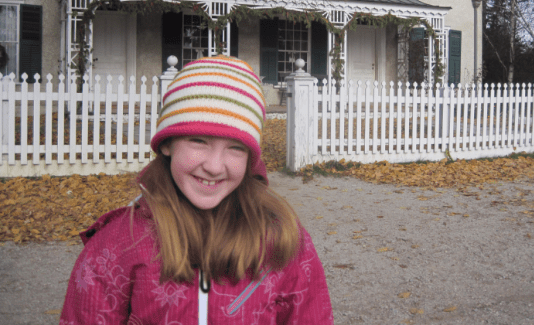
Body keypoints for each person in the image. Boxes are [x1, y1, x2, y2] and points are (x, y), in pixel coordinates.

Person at [60, 55, 333, 324]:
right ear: (167, 144)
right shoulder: (117, 246)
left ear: (251, 159)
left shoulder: (281, 238)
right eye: (199, 141)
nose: (214, 167)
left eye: (236, 148)